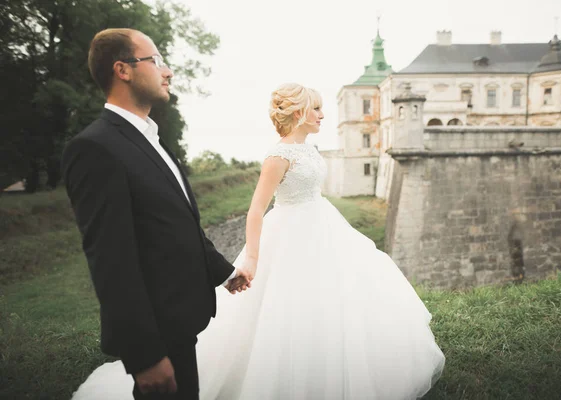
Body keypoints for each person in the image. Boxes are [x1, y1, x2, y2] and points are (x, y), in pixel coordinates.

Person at [71, 83, 445, 400]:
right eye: (316, 109)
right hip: (291, 233)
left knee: (337, 297)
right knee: (288, 306)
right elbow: (255, 211)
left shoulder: (310, 149)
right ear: (298, 112)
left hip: (325, 226)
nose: (322, 115)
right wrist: (252, 257)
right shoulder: (277, 155)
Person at [63, 28, 250, 400]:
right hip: (157, 335)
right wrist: (144, 355)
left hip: (182, 322)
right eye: (156, 60)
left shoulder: (152, 139)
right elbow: (111, 260)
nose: (168, 72)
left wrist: (223, 271)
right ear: (123, 70)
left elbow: (176, 222)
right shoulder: (95, 148)